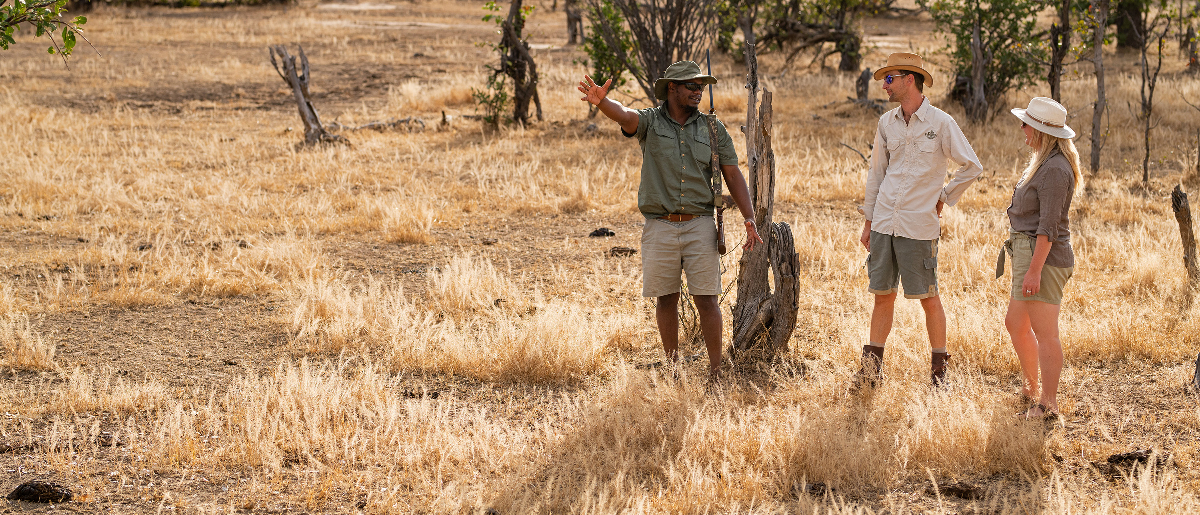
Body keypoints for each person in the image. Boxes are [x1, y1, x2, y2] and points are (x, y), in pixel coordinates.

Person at [577, 61, 763, 380]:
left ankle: (716, 372)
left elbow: (732, 174)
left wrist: (749, 217)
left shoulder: (713, 128)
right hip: (659, 225)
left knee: (707, 299)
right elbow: (625, 115)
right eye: (691, 86)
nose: (698, 91)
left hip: (700, 224)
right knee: (666, 298)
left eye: (701, 86)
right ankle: (673, 370)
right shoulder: (651, 121)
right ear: (672, 88)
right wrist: (603, 102)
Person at [857, 53, 983, 388]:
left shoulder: (941, 123)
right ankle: (870, 373)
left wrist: (944, 196)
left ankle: (939, 375)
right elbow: (876, 174)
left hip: (918, 226)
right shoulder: (886, 123)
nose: (884, 85)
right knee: (882, 295)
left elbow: (972, 166)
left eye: (889, 79)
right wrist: (869, 222)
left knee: (929, 296)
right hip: (884, 221)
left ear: (909, 79)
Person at [1000, 97, 1081, 420]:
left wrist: (1034, 271)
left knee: (1046, 333)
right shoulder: (1045, 162)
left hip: (1043, 258)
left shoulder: (1056, 169)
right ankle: (1032, 388)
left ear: (1042, 131)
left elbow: (1048, 227)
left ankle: (1048, 405)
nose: (1022, 128)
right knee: (1016, 323)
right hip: (1030, 254)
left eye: (1027, 124)